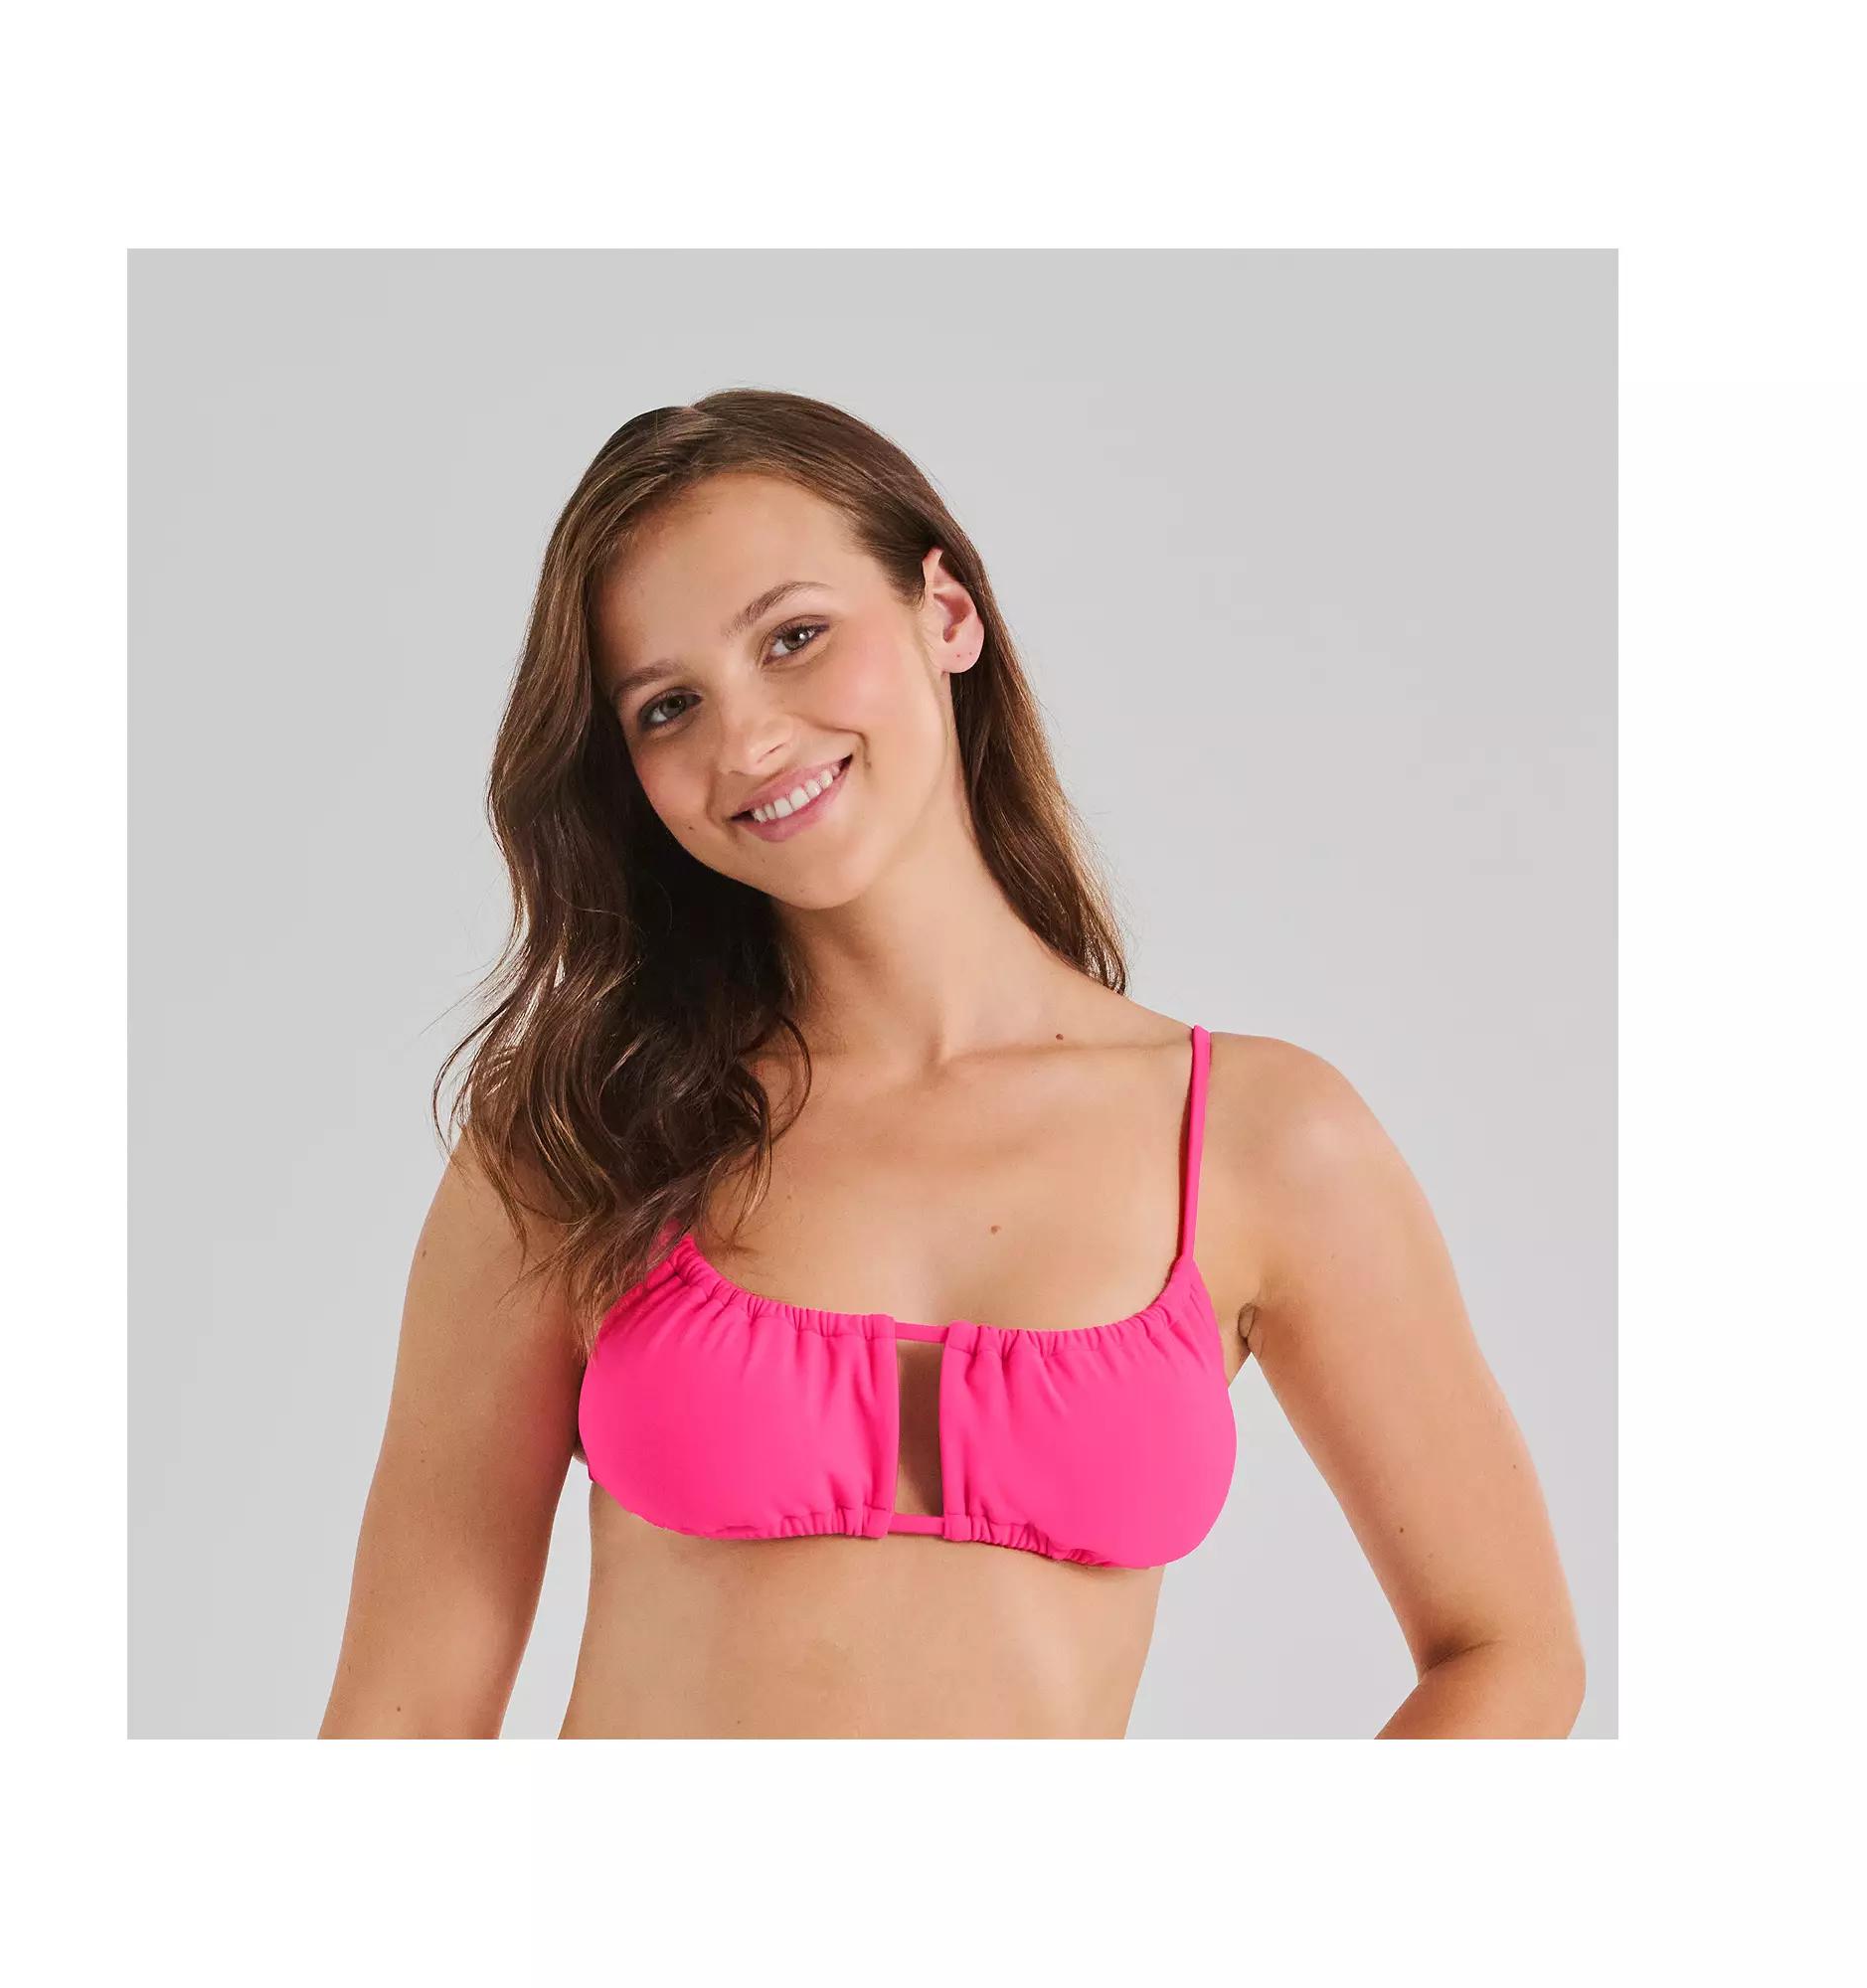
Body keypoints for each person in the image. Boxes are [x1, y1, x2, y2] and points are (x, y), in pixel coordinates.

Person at [319, 389, 1585, 1740]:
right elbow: (402, 1726)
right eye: (669, 706)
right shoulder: (575, 1143)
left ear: (948, 614)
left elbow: (1508, 1651)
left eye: (795, 637)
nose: (747, 741)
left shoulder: (1257, 1139)